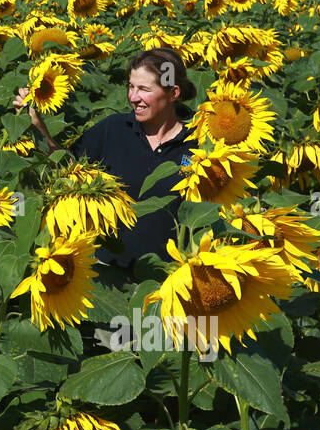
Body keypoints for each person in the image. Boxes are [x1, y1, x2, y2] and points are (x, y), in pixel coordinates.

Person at [14, 47, 197, 270]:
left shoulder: (198, 143)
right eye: (130, 87)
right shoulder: (114, 129)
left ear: (173, 93)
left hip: (166, 278)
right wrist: (38, 127)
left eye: (143, 89)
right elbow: (66, 167)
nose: (133, 97)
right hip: (105, 272)